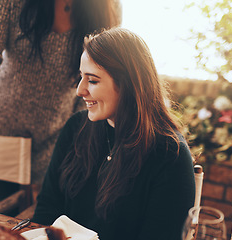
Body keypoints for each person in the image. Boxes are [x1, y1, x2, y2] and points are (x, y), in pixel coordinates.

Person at [0, 0, 122, 202]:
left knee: (54, 207)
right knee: (13, 213)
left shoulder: (108, 6)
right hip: (4, 128)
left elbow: (100, 73)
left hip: (63, 130)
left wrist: (82, 126)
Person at [31, 27, 196, 240]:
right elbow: (46, 210)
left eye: (92, 80)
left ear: (128, 84)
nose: (80, 90)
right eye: (81, 77)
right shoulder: (75, 128)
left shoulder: (169, 155)